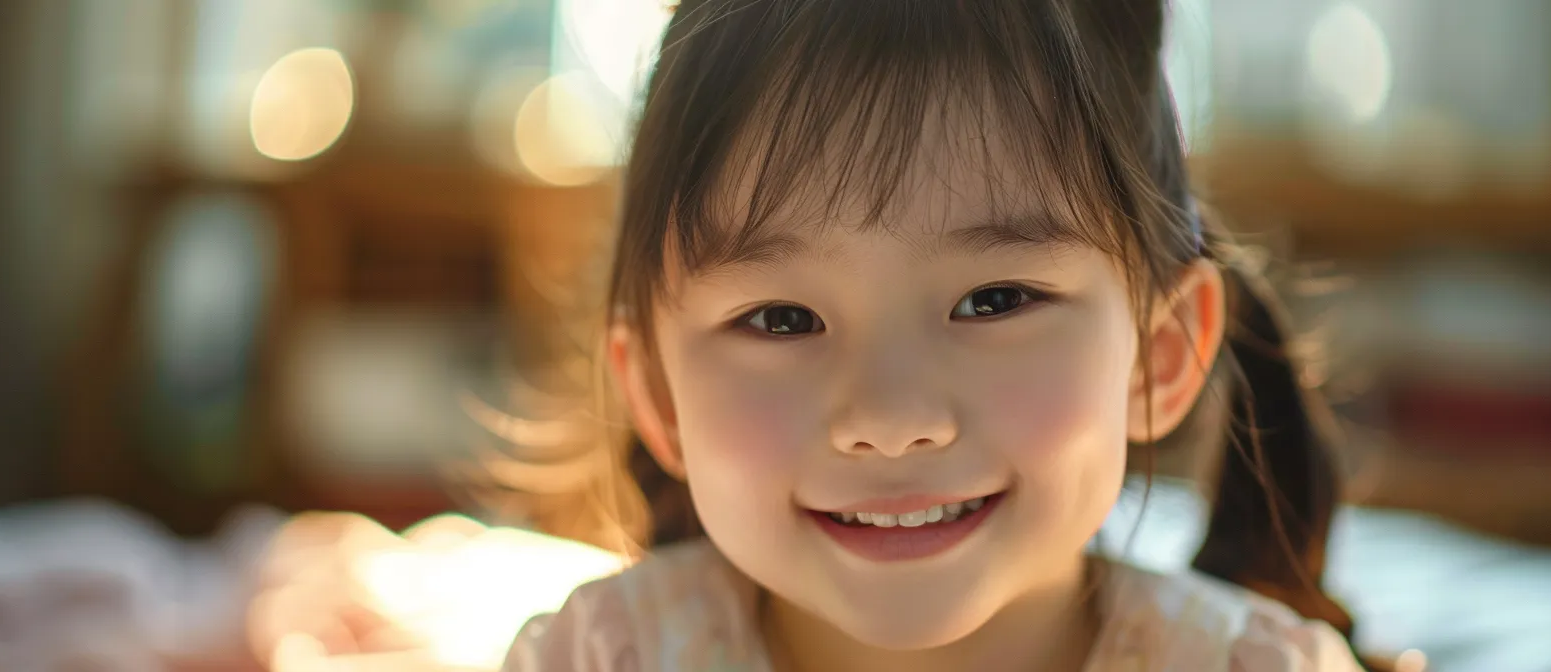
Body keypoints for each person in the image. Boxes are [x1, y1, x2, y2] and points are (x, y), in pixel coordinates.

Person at [494, 0, 1377, 670]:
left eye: (995, 300)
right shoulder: (602, 655)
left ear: (1159, 356)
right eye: (781, 319)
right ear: (655, 391)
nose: (889, 416)